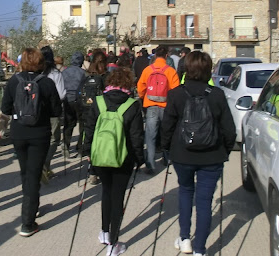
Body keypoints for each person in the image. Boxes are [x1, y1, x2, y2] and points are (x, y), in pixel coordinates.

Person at [160, 51, 236, 256]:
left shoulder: (176, 94)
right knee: (204, 201)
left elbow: (167, 126)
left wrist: (166, 148)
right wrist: (225, 150)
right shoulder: (217, 95)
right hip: (212, 156)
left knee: (185, 192)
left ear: (186, 68)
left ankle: (185, 238)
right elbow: (229, 129)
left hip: (182, 154)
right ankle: (200, 249)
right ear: (208, 70)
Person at [0, 48, 62, 237]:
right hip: (39, 133)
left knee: (26, 172)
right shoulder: (47, 82)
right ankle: (27, 222)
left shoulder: (13, 81)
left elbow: (5, 109)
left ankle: (32, 205)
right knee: (34, 174)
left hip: (18, 132)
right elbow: (56, 111)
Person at [83, 67, 144, 256]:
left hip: (100, 156)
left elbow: (89, 128)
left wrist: (87, 151)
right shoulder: (132, 105)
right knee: (118, 197)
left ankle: (104, 231)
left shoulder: (98, 102)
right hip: (123, 158)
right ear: (128, 84)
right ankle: (113, 243)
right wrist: (139, 158)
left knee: (106, 192)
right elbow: (136, 136)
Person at [136, 45, 179, 174]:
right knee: (167, 133)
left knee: (150, 135)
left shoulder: (148, 70)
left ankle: (150, 163)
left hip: (151, 105)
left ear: (155, 56)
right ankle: (167, 158)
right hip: (166, 106)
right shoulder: (170, 71)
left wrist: (144, 98)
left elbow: (140, 87)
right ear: (166, 56)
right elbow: (175, 90)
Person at [41, 46, 65, 181]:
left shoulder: (37, 72)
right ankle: (45, 164)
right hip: (53, 110)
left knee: (42, 138)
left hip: (39, 110)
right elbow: (61, 94)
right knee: (54, 139)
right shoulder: (55, 73)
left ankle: (45, 167)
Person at [85, 49, 108, 184]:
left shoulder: (87, 75)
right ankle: (103, 167)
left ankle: (92, 171)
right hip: (102, 110)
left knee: (92, 140)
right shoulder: (105, 76)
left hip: (88, 111)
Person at [61, 51, 87, 157]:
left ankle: (66, 144)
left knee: (68, 123)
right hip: (79, 100)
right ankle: (80, 148)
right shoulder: (83, 73)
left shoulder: (64, 72)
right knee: (82, 124)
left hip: (67, 99)